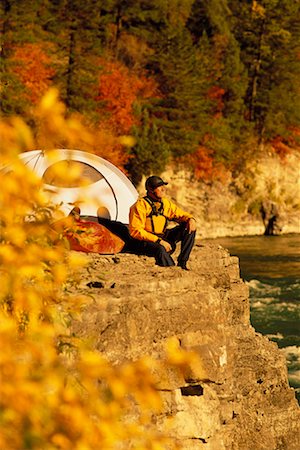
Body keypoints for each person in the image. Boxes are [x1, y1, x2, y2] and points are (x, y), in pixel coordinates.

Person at [129, 175, 196, 270]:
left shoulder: (165, 203)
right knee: (161, 249)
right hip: (145, 241)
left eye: (163, 186)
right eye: (159, 187)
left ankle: (182, 263)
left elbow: (180, 214)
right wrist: (159, 241)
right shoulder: (140, 205)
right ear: (151, 190)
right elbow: (135, 231)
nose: (163, 189)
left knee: (189, 227)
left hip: (162, 236)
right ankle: (173, 270)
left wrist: (191, 219)